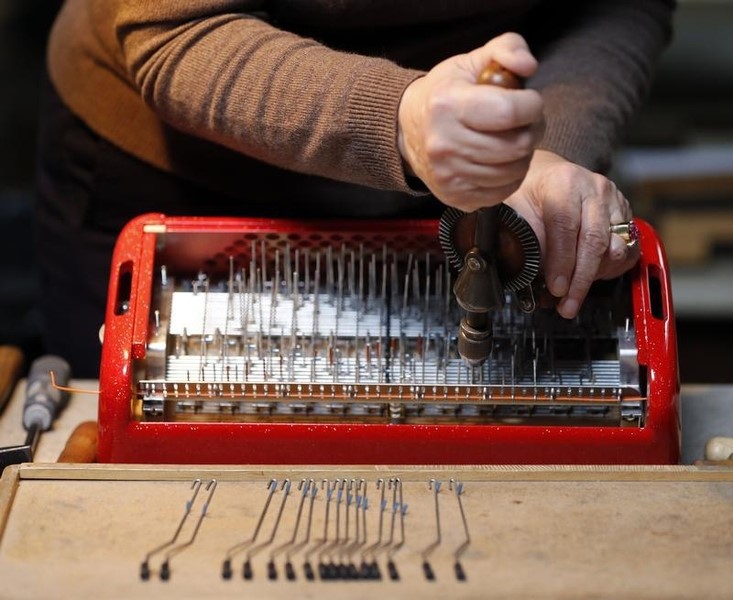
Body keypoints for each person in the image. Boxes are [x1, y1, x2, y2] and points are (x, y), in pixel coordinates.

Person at [36, 0, 675, 377]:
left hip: (482, 150)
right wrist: (394, 118)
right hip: (177, 164)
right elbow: (178, 24)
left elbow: (619, 5)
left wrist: (545, 147)